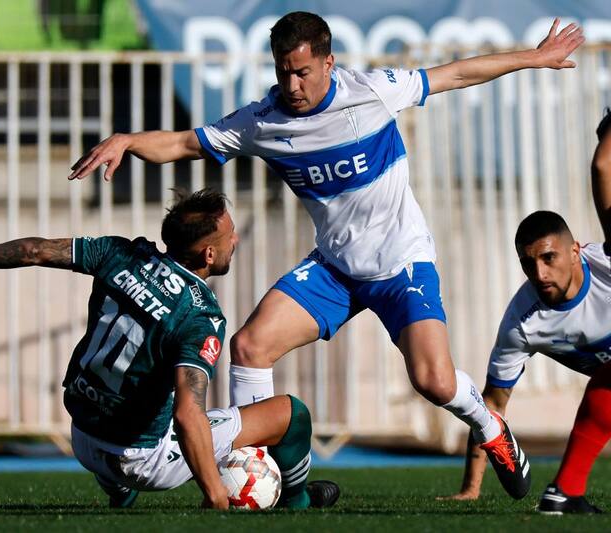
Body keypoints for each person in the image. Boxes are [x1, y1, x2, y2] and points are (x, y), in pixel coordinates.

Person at [67, 11, 584, 499]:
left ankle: (491, 427)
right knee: (249, 346)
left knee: (434, 381)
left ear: (329, 63)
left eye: (303, 72)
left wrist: (533, 58)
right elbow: (185, 143)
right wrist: (129, 141)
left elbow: (455, 74)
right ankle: (268, 476)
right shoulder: (264, 121)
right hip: (334, 268)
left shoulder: (370, 92)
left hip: (400, 264)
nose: (292, 85)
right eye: (282, 73)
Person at [0, 188, 340, 509]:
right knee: (291, 414)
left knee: (140, 394)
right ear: (209, 254)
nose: (236, 241)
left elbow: (32, 250)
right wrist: (215, 498)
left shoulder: (119, 253)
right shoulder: (200, 315)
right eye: (230, 237)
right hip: (140, 457)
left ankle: (118, 489)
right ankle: (295, 503)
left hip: (81, 433)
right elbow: (189, 415)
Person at [445, 110, 611, 514]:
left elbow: (603, 166)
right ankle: (565, 491)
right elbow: (491, 407)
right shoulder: (522, 323)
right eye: (528, 263)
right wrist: (471, 488)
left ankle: (565, 491)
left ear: (575, 251)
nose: (539, 273)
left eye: (549, 257)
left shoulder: (607, 262)